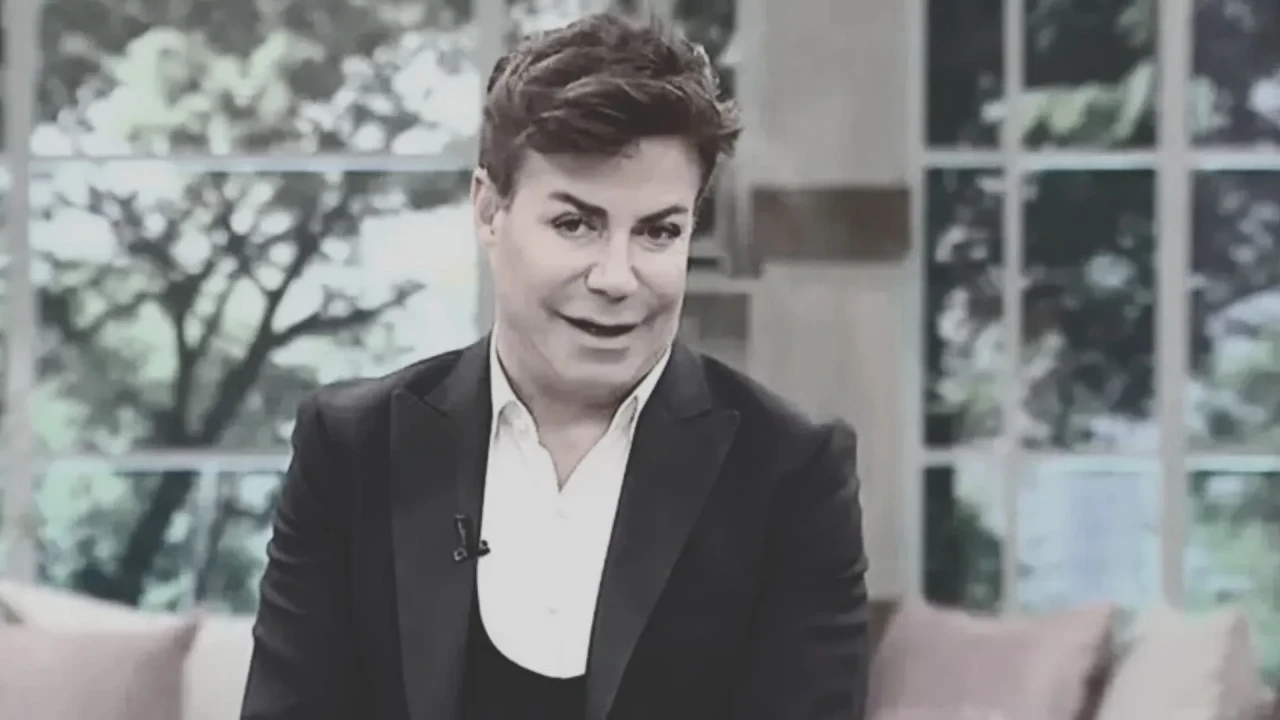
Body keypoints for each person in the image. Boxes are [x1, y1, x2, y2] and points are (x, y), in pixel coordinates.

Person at [240, 11, 868, 720]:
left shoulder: (790, 474)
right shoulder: (353, 449)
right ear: (489, 211)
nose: (617, 277)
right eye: (575, 224)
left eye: (659, 232)